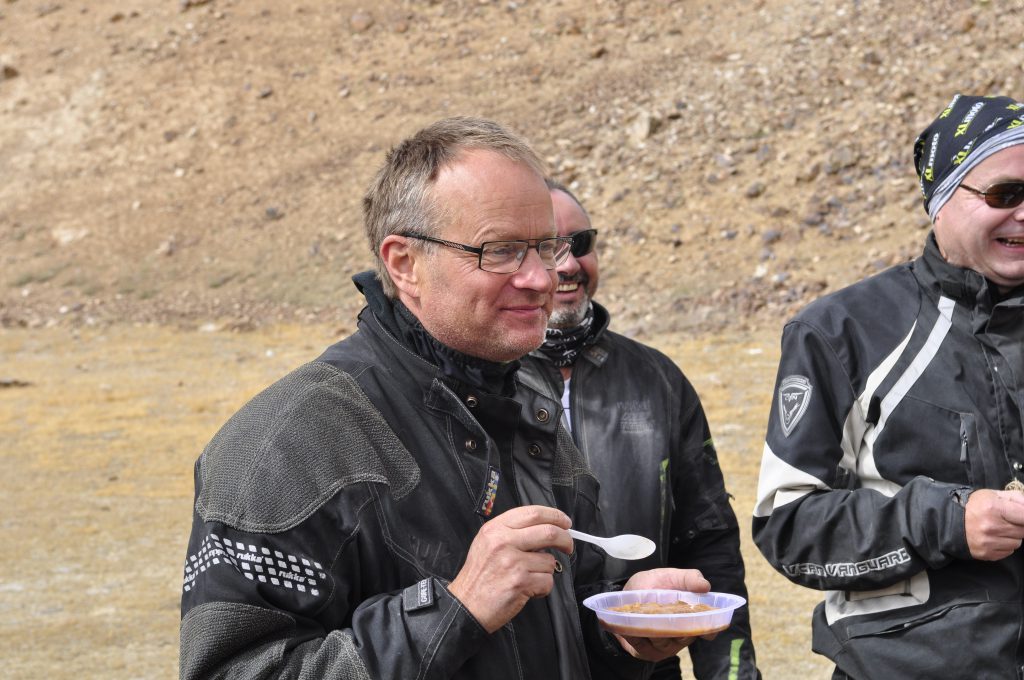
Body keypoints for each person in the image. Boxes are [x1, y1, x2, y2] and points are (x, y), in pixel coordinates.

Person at [178, 116, 713, 680]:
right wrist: (454, 610)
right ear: (404, 263)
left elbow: (556, 616)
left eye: (546, 245)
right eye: (501, 251)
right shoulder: (286, 443)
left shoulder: (527, 396)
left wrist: (619, 627)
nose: (543, 276)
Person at [752, 93, 1024, 679]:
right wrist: (950, 520)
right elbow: (789, 527)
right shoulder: (842, 331)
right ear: (942, 200)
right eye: (1006, 195)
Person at [517, 180, 760, 680]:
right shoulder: (474, 385)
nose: (567, 266)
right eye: (546, 249)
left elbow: (710, 543)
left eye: (580, 245)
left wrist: (733, 674)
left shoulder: (657, 379)